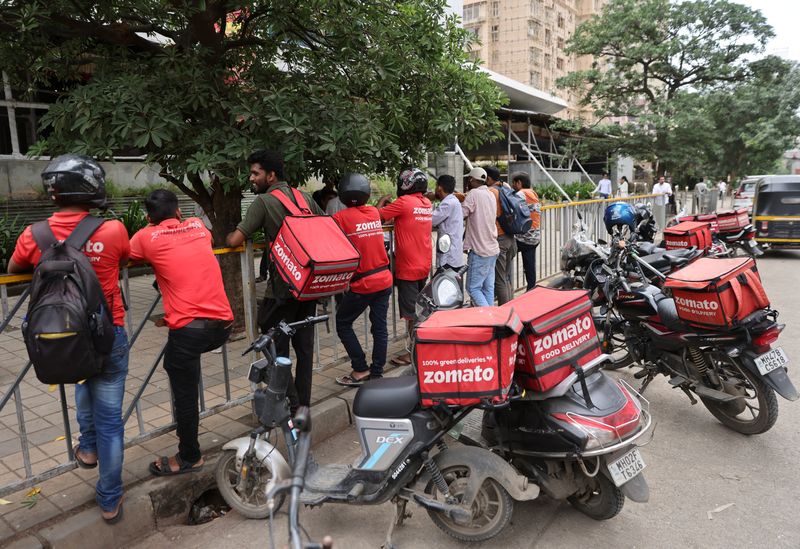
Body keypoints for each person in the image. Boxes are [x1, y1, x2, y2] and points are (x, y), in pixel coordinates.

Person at [8, 155, 129, 524]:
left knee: (82, 379)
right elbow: (124, 262)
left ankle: (87, 448)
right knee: (111, 420)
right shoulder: (113, 230)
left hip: (62, 334)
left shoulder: (34, 234)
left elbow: (14, 270)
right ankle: (109, 499)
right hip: (109, 334)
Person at [130, 190, 234, 477]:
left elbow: (130, 255)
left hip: (190, 333)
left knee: (184, 392)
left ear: (149, 218)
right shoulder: (199, 227)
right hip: (224, 325)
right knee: (183, 362)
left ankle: (190, 456)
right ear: (178, 212)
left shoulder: (145, 236)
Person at [226, 150, 324, 413]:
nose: (251, 178)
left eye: (256, 173)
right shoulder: (304, 197)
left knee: (273, 342)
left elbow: (235, 240)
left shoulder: (265, 202)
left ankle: (289, 402)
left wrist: (226, 237)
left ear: (271, 175)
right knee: (304, 347)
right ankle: (303, 403)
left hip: (282, 288)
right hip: (308, 286)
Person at [330, 174, 393, 387]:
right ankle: (377, 373)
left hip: (363, 284)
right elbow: (373, 213)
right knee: (380, 328)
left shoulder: (340, 218)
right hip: (384, 279)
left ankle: (360, 369)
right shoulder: (374, 212)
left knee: (343, 323)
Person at [377, 168, 432, 366]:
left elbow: (376, 216)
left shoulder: (404, 203)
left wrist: (381, 201)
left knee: (412, 314)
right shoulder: (425, 203)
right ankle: (420, 347)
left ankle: (413, 353)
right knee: (421, 309)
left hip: (408, 268)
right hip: (423, 265)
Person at [461, 167, 499, 306]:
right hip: (492, 249)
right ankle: (492, 320)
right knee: (488, 288)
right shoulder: (490, 194)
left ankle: (488, 317)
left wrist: (458, 200)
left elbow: (462, 213)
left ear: (471, 179)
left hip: (480, 251)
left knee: (473, 288)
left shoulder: (473, 194)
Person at [485, 165, 516, 305]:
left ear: (488, 178)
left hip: (500, 239)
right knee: (507, 277)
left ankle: (504, 313)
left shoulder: (491, 192)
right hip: (511, 238)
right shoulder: (506, 188)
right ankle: (511, 307)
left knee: (500, 280)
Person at [511, 172, 540, 291]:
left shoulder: (521, 194)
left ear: (519, 183)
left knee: (503, 255)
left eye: (514, 183)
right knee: (529, 266)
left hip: (524, 238)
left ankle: (504, 286)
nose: (513, 185)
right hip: (534, 237)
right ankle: (531, 290)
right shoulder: (533, 193)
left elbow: (510, 206)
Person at [431, 175, 464, 272]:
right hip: (452, 253)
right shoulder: (453, 201)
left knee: (442, 284)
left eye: (436, 186)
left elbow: (431, 220)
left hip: (449, 256)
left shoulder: (448, 203)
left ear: (439, 188)